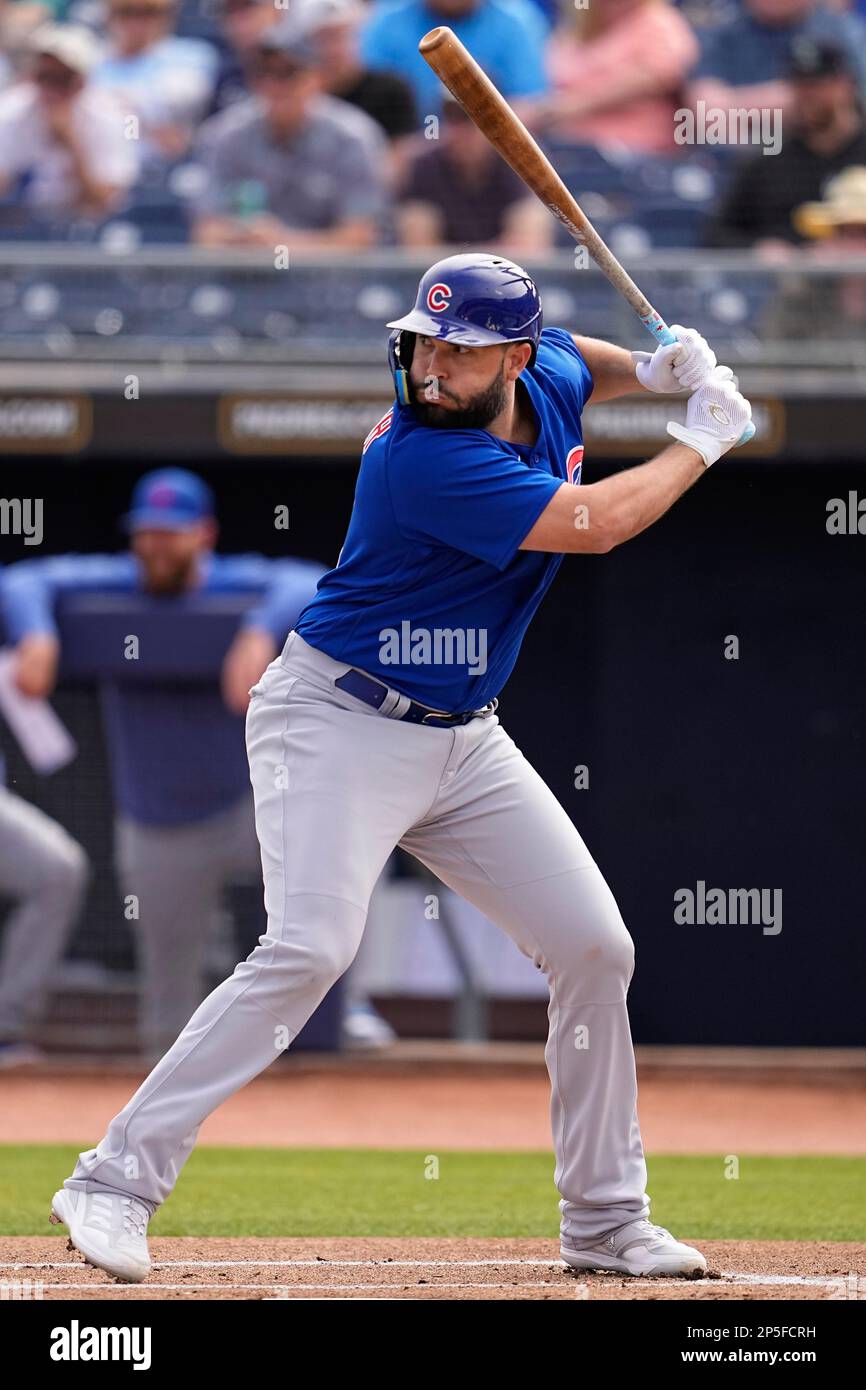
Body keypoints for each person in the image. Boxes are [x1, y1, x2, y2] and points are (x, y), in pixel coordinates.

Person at [46, 252, 753, 1284]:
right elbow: (594, 523)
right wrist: (700, 435)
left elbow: (572, 358)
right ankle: (112, 1181)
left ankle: (603, 1220)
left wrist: (650, 371)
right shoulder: (419, 456)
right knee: (309, 948)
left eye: (456, 352)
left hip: (462, 733)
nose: (428, 368)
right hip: (336, 718)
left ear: (508, 356)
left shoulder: (541, 367)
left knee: (594, 947)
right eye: (419, 345)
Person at [1, 469, 332, 1063]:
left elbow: (311, 580)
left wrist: (259, 632)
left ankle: (338, 1029)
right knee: (169, 1004)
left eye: (171, 534)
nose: (155, 546)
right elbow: (22, 579)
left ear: (203, 534)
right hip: (156, 824)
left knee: (328, 884)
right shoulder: (116, 583)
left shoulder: (234, 583)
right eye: (146, 534)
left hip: (246, 812)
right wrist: (37, 636)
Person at [189, 18, 389, 250]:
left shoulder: (353, 136)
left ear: (316, 77)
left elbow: (360, 237)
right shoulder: (224, 135)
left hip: (331, 281)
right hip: (244, 278)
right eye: (264, 72)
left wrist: (281, 244)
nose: (275, 85)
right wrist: (246, 238)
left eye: (288, 72)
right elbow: (205, 233)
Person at [707, 37, 866, 250]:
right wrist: (760, 248)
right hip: (783, 280)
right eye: (798, 85)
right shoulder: (767, 160)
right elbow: (716, 234)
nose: (807, 96)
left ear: (846, 85)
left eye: (817, 85)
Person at [0, 24, 139, 222]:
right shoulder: (10, 110)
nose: (50, 90)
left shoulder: (115, 116)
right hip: (22, 228)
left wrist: (71, 143)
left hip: (89, 233)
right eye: (44, 77)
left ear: (82, 81)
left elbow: (106, 203)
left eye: (62, 79)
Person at [531, 0, 700, 155]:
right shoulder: (579, 25)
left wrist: (571, 106)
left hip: (635, 154)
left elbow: (661, 75)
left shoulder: (658, 21)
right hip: (569, 145)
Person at [397, 92, 553, 249]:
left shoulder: (519, 157)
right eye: (453, 118)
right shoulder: (426, 163)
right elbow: (419, 250)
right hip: (444, 273)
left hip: (503, 272)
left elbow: (527, 246)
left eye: (472, 119)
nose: (461, 130)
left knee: (534, 217)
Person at [360, 0, 548, 121]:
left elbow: (529, 103)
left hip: (490, 154)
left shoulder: (516, 20)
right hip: (404, 149)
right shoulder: (387, 21)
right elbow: (367, 99)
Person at [687, 0, 866, 119]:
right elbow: (707, 110)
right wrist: (774, 102)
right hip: (741, 157)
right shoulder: (724, 29)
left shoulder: (843, 32)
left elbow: (822, 103)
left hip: (823, 157)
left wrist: (734, 105)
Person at [90, 0, 219, 161]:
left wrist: (127, 112)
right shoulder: (91, 61)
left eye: (148, 11)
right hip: (106, 165)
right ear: (109, 15)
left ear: (167, 15)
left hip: (172, 167)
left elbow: (180, 103)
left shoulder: (194, 55)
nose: (136, 21)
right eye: (126, 11)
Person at [761, 164, 866, 336]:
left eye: (864, 233)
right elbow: (777, 354)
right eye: (845, 232)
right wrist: (800, 275)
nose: (854, 246)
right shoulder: (802, 293)